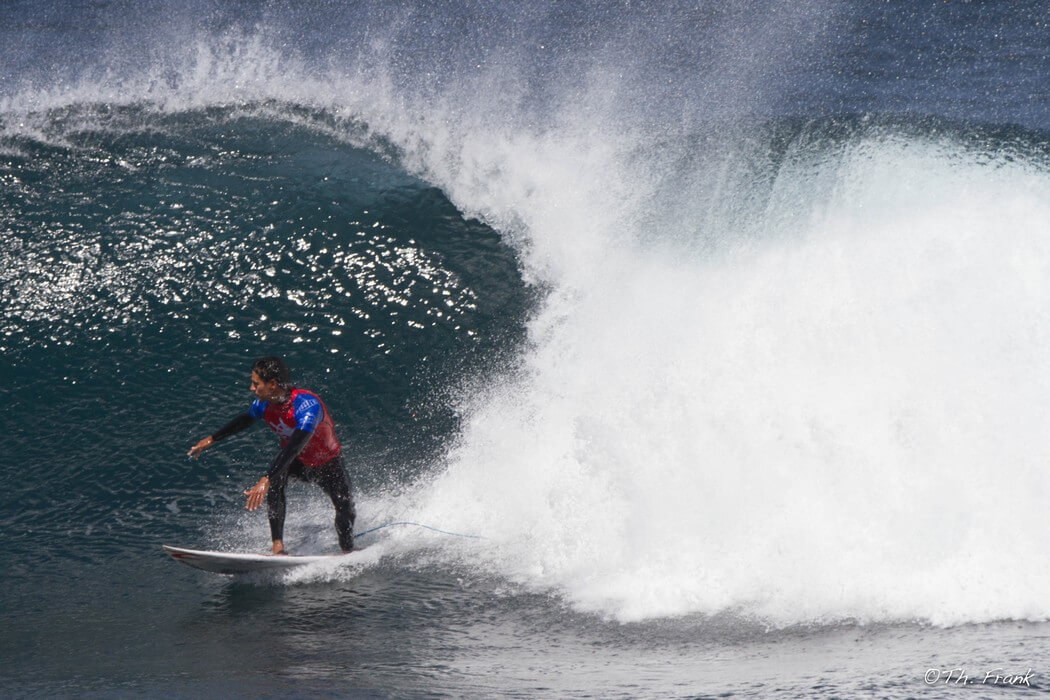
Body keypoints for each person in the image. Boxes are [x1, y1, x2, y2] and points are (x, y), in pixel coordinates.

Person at [188, 356, 355, 554]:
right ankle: (278, 546)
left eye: (255, 384)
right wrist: (212, 439)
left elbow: (295, 446)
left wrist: (266, 478)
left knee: (345, 507)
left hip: (328, 464)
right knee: (277, 481)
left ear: (272, 384)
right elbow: (245, 420)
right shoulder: (263, 405)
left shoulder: (307, 407)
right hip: (297, 462)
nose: (252, 388)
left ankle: (347, 551)